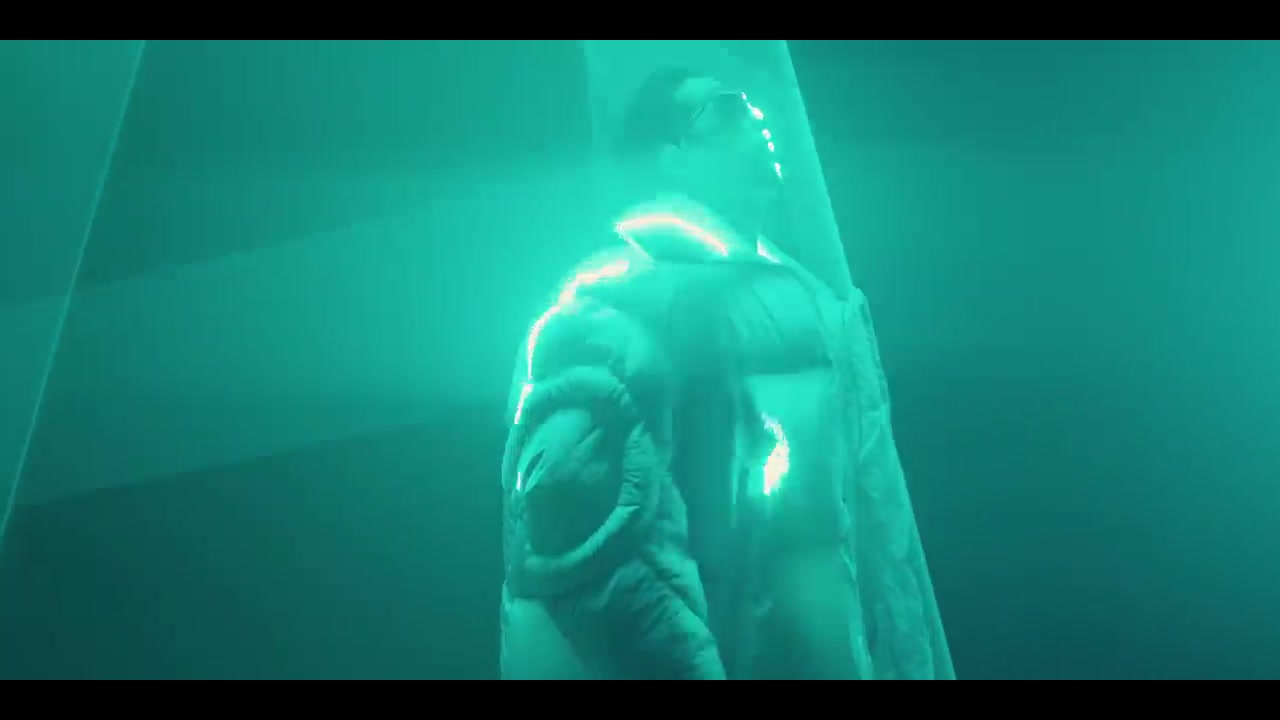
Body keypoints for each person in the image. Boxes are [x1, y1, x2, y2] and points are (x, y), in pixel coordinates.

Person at [497, 66, 954, 680]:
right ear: (670, 158)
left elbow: (860, 540)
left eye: (754, 108)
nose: (757, 121)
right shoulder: (610, 310)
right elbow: (589, 563)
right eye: (726, 110)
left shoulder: (816, 312)